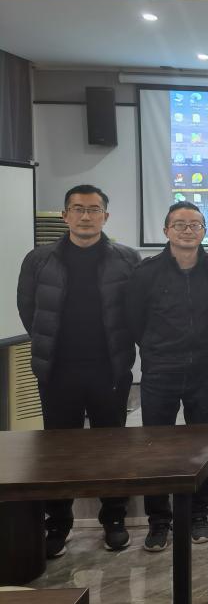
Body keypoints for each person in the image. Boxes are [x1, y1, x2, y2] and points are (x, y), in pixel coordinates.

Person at [16, 184, 140, 558]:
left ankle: (114, 519)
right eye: (78, 209)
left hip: (109, 370)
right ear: (65, 215)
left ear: (106, 216)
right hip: (58, 372)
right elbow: (28, 310)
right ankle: (58, 523)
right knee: (58, 451)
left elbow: (134, 312)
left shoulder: (126, 259)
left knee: (111, 447)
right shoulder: (39, 260)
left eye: (93, 209)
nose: (86, 216)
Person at [125, 200, 208, 552]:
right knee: (157, 448)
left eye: (194, 225)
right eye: (180, 225)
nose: (187, 230)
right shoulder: (146, 272)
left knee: (204, 446)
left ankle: (200, 514)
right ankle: (159, 521)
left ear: (204, 231)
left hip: (205, 370)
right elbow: (134, 320)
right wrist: (156, 349)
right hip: (160, 371)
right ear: (166, 230)